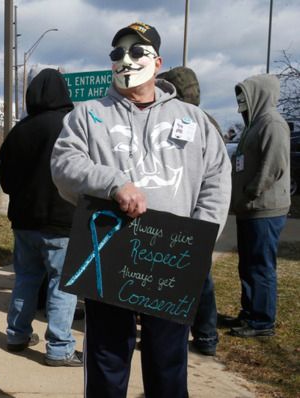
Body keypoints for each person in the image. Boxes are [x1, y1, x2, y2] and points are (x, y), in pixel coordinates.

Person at [50, 22, 231, 397]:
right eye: (117, 53)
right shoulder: (87, 115)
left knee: (167, 364)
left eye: (136, 51)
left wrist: (198, 241)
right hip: (109, 258)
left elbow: (216, 178)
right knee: (106, 360)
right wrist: (113, 184)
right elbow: (64, 166)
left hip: (171, 262)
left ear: (158, 62)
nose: (126, 60)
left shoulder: (193, 120)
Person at [0, 68, 82, 367]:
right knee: (62, 286)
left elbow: (5, 182)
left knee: (25, 280)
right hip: (63, 223)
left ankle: (17, 335)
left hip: (23, 223)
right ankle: (59, 348)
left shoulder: (18, 131)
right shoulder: (72, 126)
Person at [158, 66, 220, 356]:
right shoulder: (209, 121)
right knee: (196, 276)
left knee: (185, 278)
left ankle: (194, 335)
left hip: (185, 211)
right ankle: (204, 335)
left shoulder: (192, 121)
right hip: (182, 210)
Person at [228, 74, 290, 338]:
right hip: (249, 209)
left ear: (259, 93)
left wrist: (251, 191)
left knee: (260, 266)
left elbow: (274, 166)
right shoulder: (253, 124)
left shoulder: (272, 123)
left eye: (245, 95)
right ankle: (251, 311)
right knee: (248, 264)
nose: (241, 102)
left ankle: (262, 321)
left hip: (263, 208)